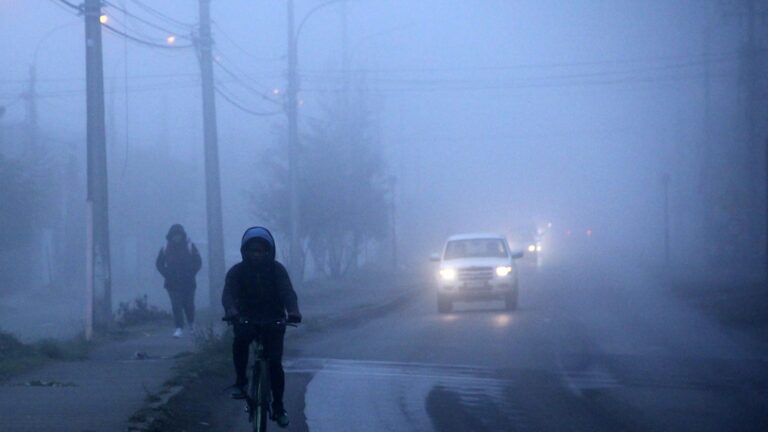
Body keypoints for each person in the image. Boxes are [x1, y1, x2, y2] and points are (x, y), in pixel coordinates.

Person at [222, 226, 301, 429]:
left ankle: (279, 407)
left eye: (260, 250)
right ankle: (241, 382)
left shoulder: (277, 270)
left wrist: (293, 311)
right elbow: (228, 294)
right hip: (246, 319)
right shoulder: (237, 272)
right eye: (252, 250)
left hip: (273, 320)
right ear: (245, 251)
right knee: (240, 341)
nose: (256, 254)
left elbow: (287, 292)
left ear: (268, 251)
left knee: (274, 362)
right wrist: (231, 310)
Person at [155, 224, 202, 338]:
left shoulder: (190, 246)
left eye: (179, 235)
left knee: (189, 305)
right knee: (176, 305)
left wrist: (191, 272)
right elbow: (159, 263)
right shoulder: (165, 248)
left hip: (188, 282)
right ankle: (179, 327)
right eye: (174, 235)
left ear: (182, 235)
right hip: (172, 283)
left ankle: (191, 324)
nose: (177, 237)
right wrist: (166, 273)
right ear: (171, 236)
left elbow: (198, 261)